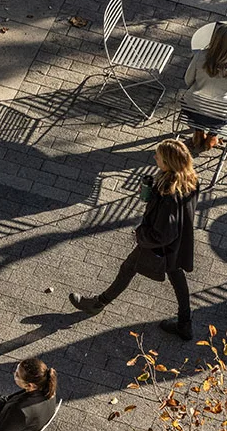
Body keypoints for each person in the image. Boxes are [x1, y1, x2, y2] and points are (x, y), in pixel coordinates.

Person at [69, 138, 199, 340]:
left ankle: (97, 304)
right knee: (177, 277)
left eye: (159, 157)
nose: (155, 157)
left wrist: (141, 235)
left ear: (169, 163)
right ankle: (185, 324)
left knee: (128, 268)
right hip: (178, 245)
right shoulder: (189, 180)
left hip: (158, 246)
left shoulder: (168, 194)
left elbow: (165, 233)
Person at [184, 22, 227, 153]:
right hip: (219, 117)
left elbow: (188, 80)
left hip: (193, 109)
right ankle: (212, 136)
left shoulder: (201, 55)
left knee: (196, 103)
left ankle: (198, 132)